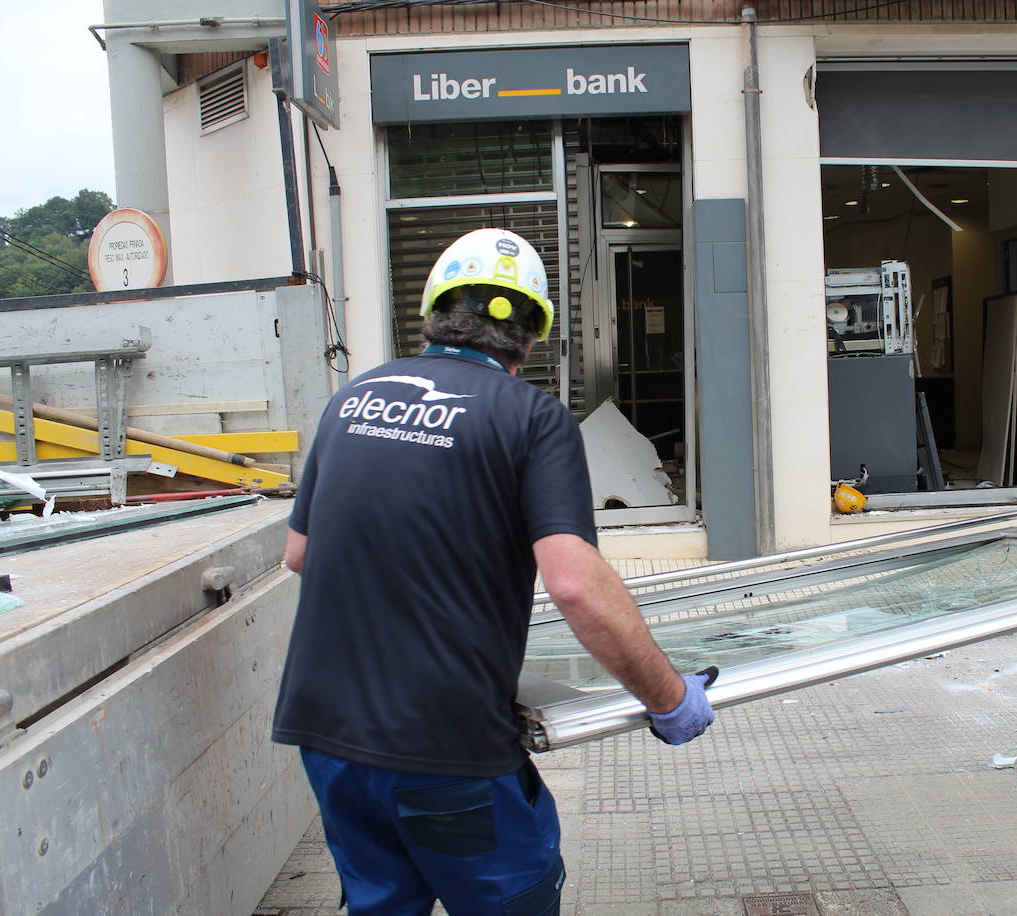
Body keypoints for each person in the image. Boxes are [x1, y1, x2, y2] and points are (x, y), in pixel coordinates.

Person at [272, 228, 715, 914]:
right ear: (530, 339)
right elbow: (573, 583)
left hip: (328, 737)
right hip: (446, 752)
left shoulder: (351, 400)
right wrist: (669, 697)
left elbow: (300, 554)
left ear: (432, 316)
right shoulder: (532, 419)